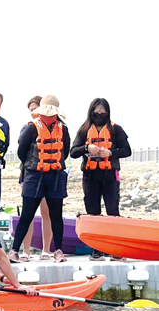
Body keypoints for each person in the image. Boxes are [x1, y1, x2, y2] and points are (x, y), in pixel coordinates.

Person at [9, 95, 70, 263]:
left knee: (56, 215)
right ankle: (14, 250)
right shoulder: (31, 128)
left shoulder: (63, 129)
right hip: (34, 175)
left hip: (55, 176)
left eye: (52, 114)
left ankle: (58, 250)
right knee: (27, 214)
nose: (49, 117)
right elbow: (22, 151)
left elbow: (66, 150)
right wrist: (33, 165)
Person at [70, 98, 132, 260]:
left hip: (110, 175)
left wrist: (111, 153)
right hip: (90, 176)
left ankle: (117, 249)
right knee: (93, 212)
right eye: (96, 112)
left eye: (103, 113)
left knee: (113, 210)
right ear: (91, 112)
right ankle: (97, 249)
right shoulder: (84, 130)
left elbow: (127, 150)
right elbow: (73, 152)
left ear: (108, 113)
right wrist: (86, 148)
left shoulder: (115, 129)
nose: (99, 115)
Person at [18, 96, 53, 261]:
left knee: (47, 212)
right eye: (31, 109)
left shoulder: (56, 129)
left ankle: (46, 250)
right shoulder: (27, 128)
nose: (33, 112)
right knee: (28, 214)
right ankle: (26, 251)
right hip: (29, 174)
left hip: (48, 175)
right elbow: (21, 151)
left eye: (36, 109)